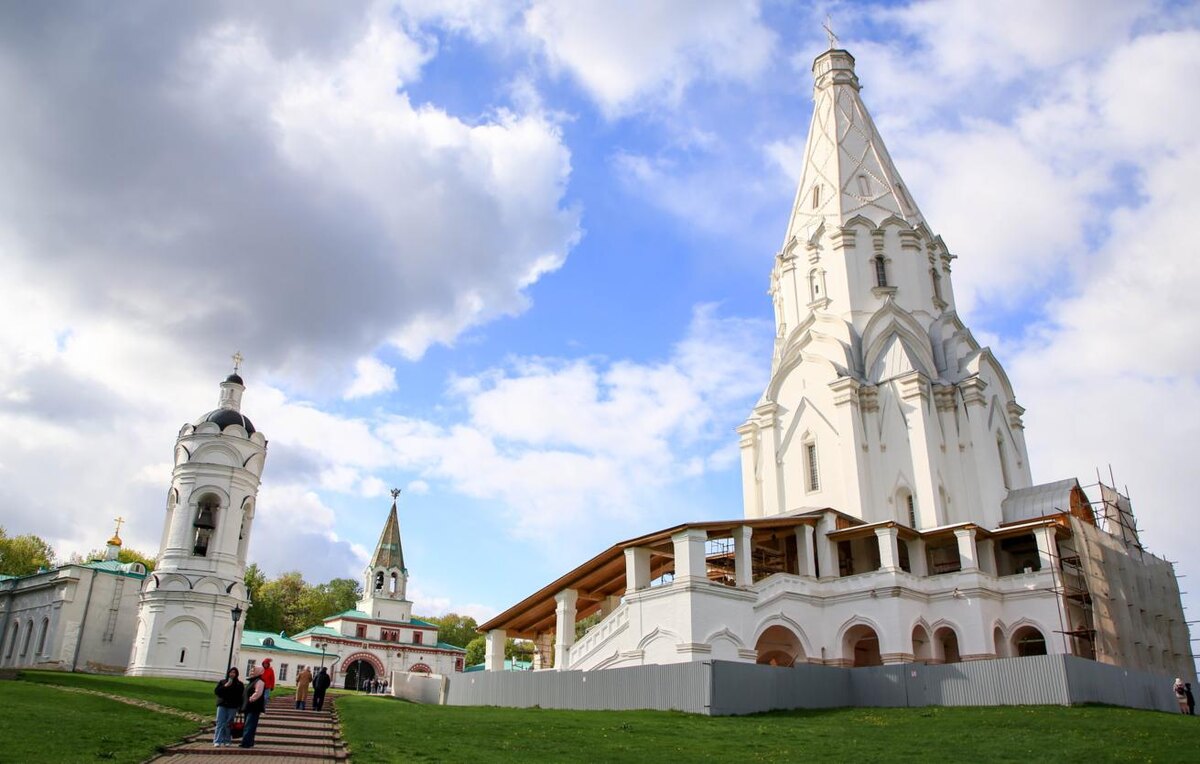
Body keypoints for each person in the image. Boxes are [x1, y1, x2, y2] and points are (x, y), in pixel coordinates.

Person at [213, 667, 243, 747]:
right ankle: (217, 741)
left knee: (229, 723)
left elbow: (240, 696)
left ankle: (227, 740)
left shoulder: (239, 684)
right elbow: (217, 692)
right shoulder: (223, 682)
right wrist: (225, 686)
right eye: (231, 672)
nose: (232, 674)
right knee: (220, 723)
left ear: (236, 674)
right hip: (222, 704)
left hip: (232, 706)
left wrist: (240, 707)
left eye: (234, 673)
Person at [240, 666, 267, 749]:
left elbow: (258, 692)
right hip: (248, 706)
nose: (251, 672)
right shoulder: (252, 681)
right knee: (248, 724)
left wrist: (251, 699)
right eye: (251, 670)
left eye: (253, 670)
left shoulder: (259, 681)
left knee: (249, 724)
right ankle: (249, 741)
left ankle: (246, 742)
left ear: (258, 672)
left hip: (253, 707)